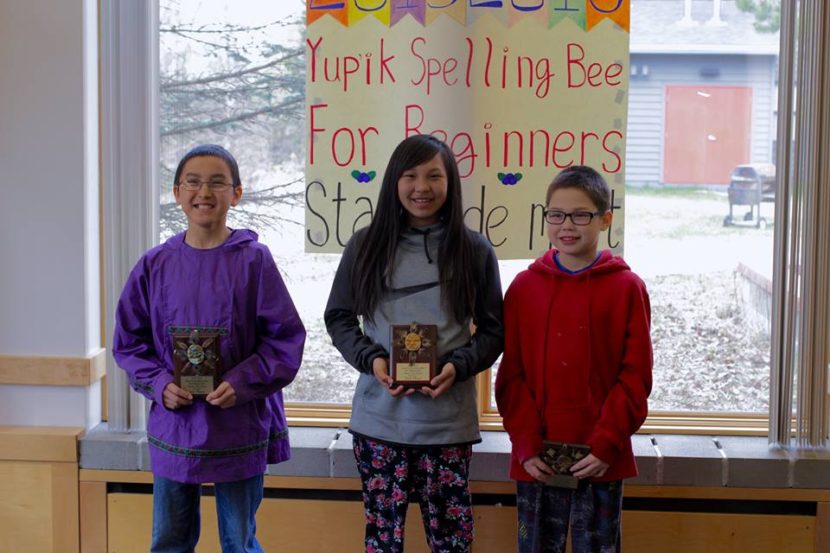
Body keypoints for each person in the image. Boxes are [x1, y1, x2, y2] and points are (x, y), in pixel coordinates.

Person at [113, 144, 306, 552]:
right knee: (170, 539)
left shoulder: (254, 261)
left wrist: (243, 382)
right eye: (193, 182)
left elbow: (284, 340)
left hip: (239, 420)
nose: (204, 191)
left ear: (236, 193)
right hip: (176, 422)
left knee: (239, 540)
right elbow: (129, 343)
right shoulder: (155, 265)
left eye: (217, 182)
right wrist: (159, 383)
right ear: (177, 192)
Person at [324, 134, 504, 553]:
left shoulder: (474, 250)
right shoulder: (365, 245)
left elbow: (494, 331)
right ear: (394, 182)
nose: (421, 187)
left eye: (433, 176)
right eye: (410, 175)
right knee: (383, 542)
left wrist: (458, 367)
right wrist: (373, 361)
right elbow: (339, 317)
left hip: (447, 426)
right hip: (379, 424)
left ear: (450, 182)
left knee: (452, 543)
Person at [495, 165, 652, 553]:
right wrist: (526, 444)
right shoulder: (523, 287)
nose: (567, 225)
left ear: (605, 219)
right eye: (556, 215)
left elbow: (635, 377)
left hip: (600, 459)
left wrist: (605, 444)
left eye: (581, 215)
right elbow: (511, 375)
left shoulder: (627, 288)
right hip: (538, 462)